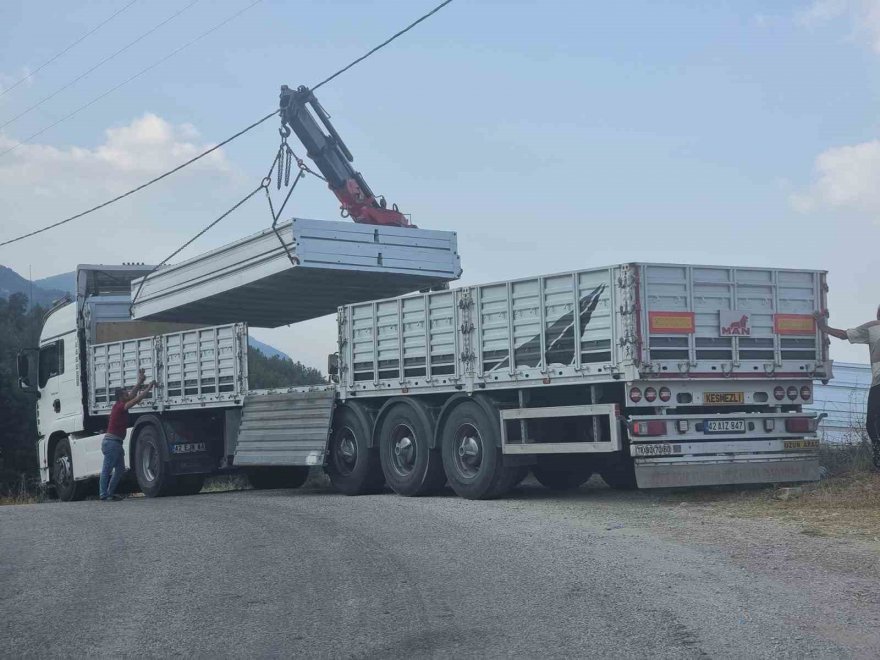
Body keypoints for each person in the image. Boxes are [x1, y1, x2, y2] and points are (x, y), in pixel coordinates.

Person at [814, 307, 880, 468]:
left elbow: (844, 335)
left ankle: (878, 458)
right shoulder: (873, 327)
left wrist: (823, 327)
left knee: (872, 423)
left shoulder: (873, 326)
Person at [100, 368, 156, 501]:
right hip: (112, 443)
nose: (128, 395)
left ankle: (109, 493)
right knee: (107, 469)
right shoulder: (120, 407)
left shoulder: (120, 404)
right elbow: (135, 399)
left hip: (115, 443)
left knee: (119, 470)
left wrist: (140, 381)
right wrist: (148, 387)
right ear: (121, 397)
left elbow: (132, 395)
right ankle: (103, 494)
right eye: (125, 395)